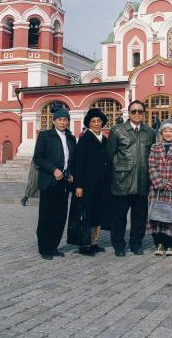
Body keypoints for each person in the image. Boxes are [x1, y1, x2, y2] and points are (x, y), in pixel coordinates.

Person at [107, 100, 156, 257]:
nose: (137, 114)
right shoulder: (117, 130)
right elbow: (110, 155)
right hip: (122, 181)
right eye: (134, 111)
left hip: (142, 181)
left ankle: (136, 244)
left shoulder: (150, 132)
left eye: (140, 111)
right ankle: (119, 245)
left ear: (143, 113)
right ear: (129, 113)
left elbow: (153, 156)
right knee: (119, 217)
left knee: (140, 217)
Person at [68, 108, 112, 256]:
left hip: (101, 185)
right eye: (93, 121)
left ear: (103, 123)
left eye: (99, 121)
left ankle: (94, 242)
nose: (96, 124)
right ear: (89, 123)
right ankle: (84, 244)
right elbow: (78, 163)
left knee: (97, 213)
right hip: (86, 185)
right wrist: (78, 185)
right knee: (85, 214)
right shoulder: (85, 139)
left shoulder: (105, 140)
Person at [33, 108, 76, 260]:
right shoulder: (45, 136)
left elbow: (71, 160)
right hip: (49, 182)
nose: (63, 122)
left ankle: (54, 246)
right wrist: (54, 170)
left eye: (65, 120)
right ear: (54, 121)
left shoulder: (71, 138)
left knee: (60, 217)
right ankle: (44, 248)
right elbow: (38, 158)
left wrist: (71, 173)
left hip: (64, 183)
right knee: (46, 216)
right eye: (60, 119)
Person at [148, 119, 172, 257]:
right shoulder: (154, 147)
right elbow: (151, 166)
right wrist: (158, 183)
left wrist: (171, 183)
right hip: (157, 188)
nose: (168, 133)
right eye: (165, 131)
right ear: (161, 133)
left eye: (171, 131)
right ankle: (159, 243)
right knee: (157, 216)